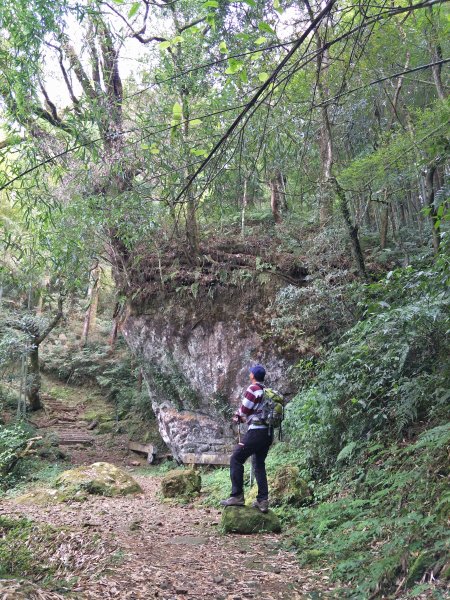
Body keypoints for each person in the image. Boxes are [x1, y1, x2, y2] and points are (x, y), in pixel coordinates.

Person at [220, 364, 273, 513]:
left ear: (252, 375)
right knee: (258, 464)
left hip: (256, 433)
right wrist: (245, 418)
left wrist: (238, 416)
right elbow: (256, 413)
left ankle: (237, 496)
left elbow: (244, 410)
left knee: (236, 458)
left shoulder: (253, 389)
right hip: (267, 433)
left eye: (250, 373)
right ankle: (263, 501)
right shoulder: (266, 391)